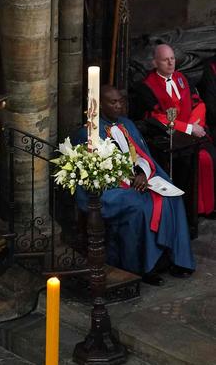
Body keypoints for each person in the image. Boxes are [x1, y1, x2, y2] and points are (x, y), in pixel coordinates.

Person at [74, 86, 195, 282]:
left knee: (172, 196)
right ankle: (145, 267)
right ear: (99, 105)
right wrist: (131, 180)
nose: (119, 105)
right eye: (113, 102)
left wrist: (142, 173)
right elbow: (98, 171)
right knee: (143, 207)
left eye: (120, 101)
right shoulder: (88, 133)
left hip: (137, 180)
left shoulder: (127, 124)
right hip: (109, 189)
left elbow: (140, 154)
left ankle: (175, 259)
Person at [138, 43, 216, 215]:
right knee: (194, 161)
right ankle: (188, 212)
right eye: (165, 60)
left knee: (209, 156)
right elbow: (156, 117)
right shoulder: (147, 87)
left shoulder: (182, 78)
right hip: (169, 139)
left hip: (193, 134)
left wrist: (196, 126)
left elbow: (199, 103)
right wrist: (188, 128)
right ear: (155, 63)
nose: (170, 63)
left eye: (172, 58)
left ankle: (206, 209)